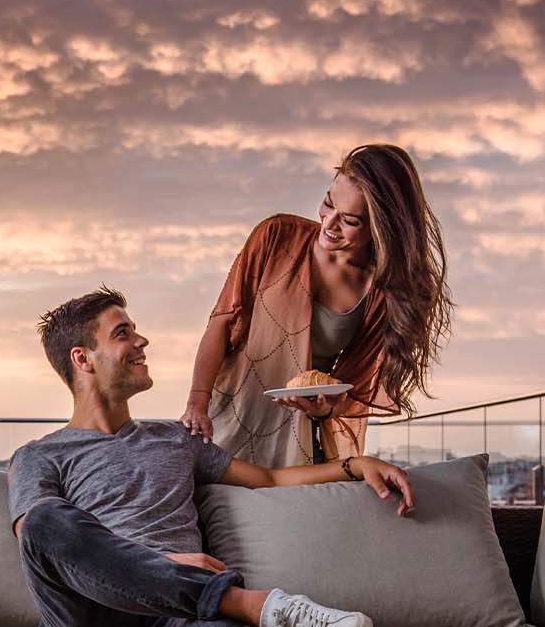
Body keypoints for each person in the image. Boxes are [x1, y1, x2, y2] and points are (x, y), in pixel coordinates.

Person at [9, 287, 413, 627]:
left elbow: (267, 478)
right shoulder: (39, 455)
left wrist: (356, 466)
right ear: (81, 358)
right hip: (94, 623)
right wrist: (169, 567)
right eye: (123, 332)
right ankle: (258, 606)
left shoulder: (173, 440)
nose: (142, 339)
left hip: (179, 620)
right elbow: (38, 537)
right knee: (43, 520)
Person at [179, 143, 455, 466]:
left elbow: (349, 392)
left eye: (349, 220)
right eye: (328, 203)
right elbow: (221, 323)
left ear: (381, 227)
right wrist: (197, 404)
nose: (328, 223)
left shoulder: (380, 294)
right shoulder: (276, 237)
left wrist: (324, 408)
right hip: (224, 418)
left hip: (297, 440)